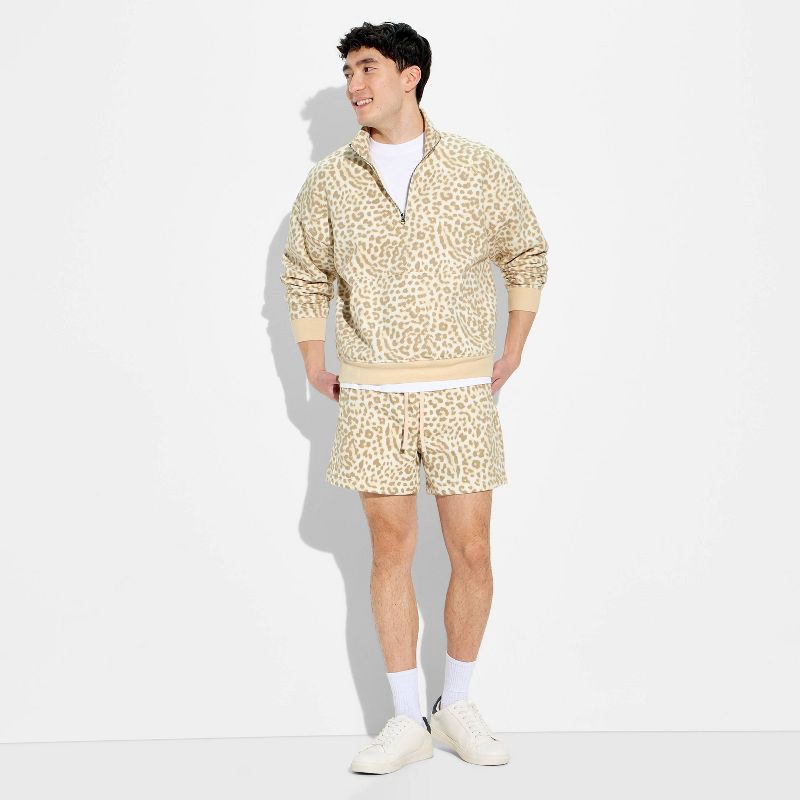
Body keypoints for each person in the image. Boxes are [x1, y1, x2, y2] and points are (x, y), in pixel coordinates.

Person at [279, 21, 548, 774]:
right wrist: (313, 362)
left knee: (473, 550)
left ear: (411, 75)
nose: (353, 85)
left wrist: (515, 346)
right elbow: (304, 272)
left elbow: (526, 250)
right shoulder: (331, 179)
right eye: (347, 72)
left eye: (367, 68)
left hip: (461, 392)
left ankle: (455, 704)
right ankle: (406, 720)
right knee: (390, 551)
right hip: (373, 397)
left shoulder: (477, 167)